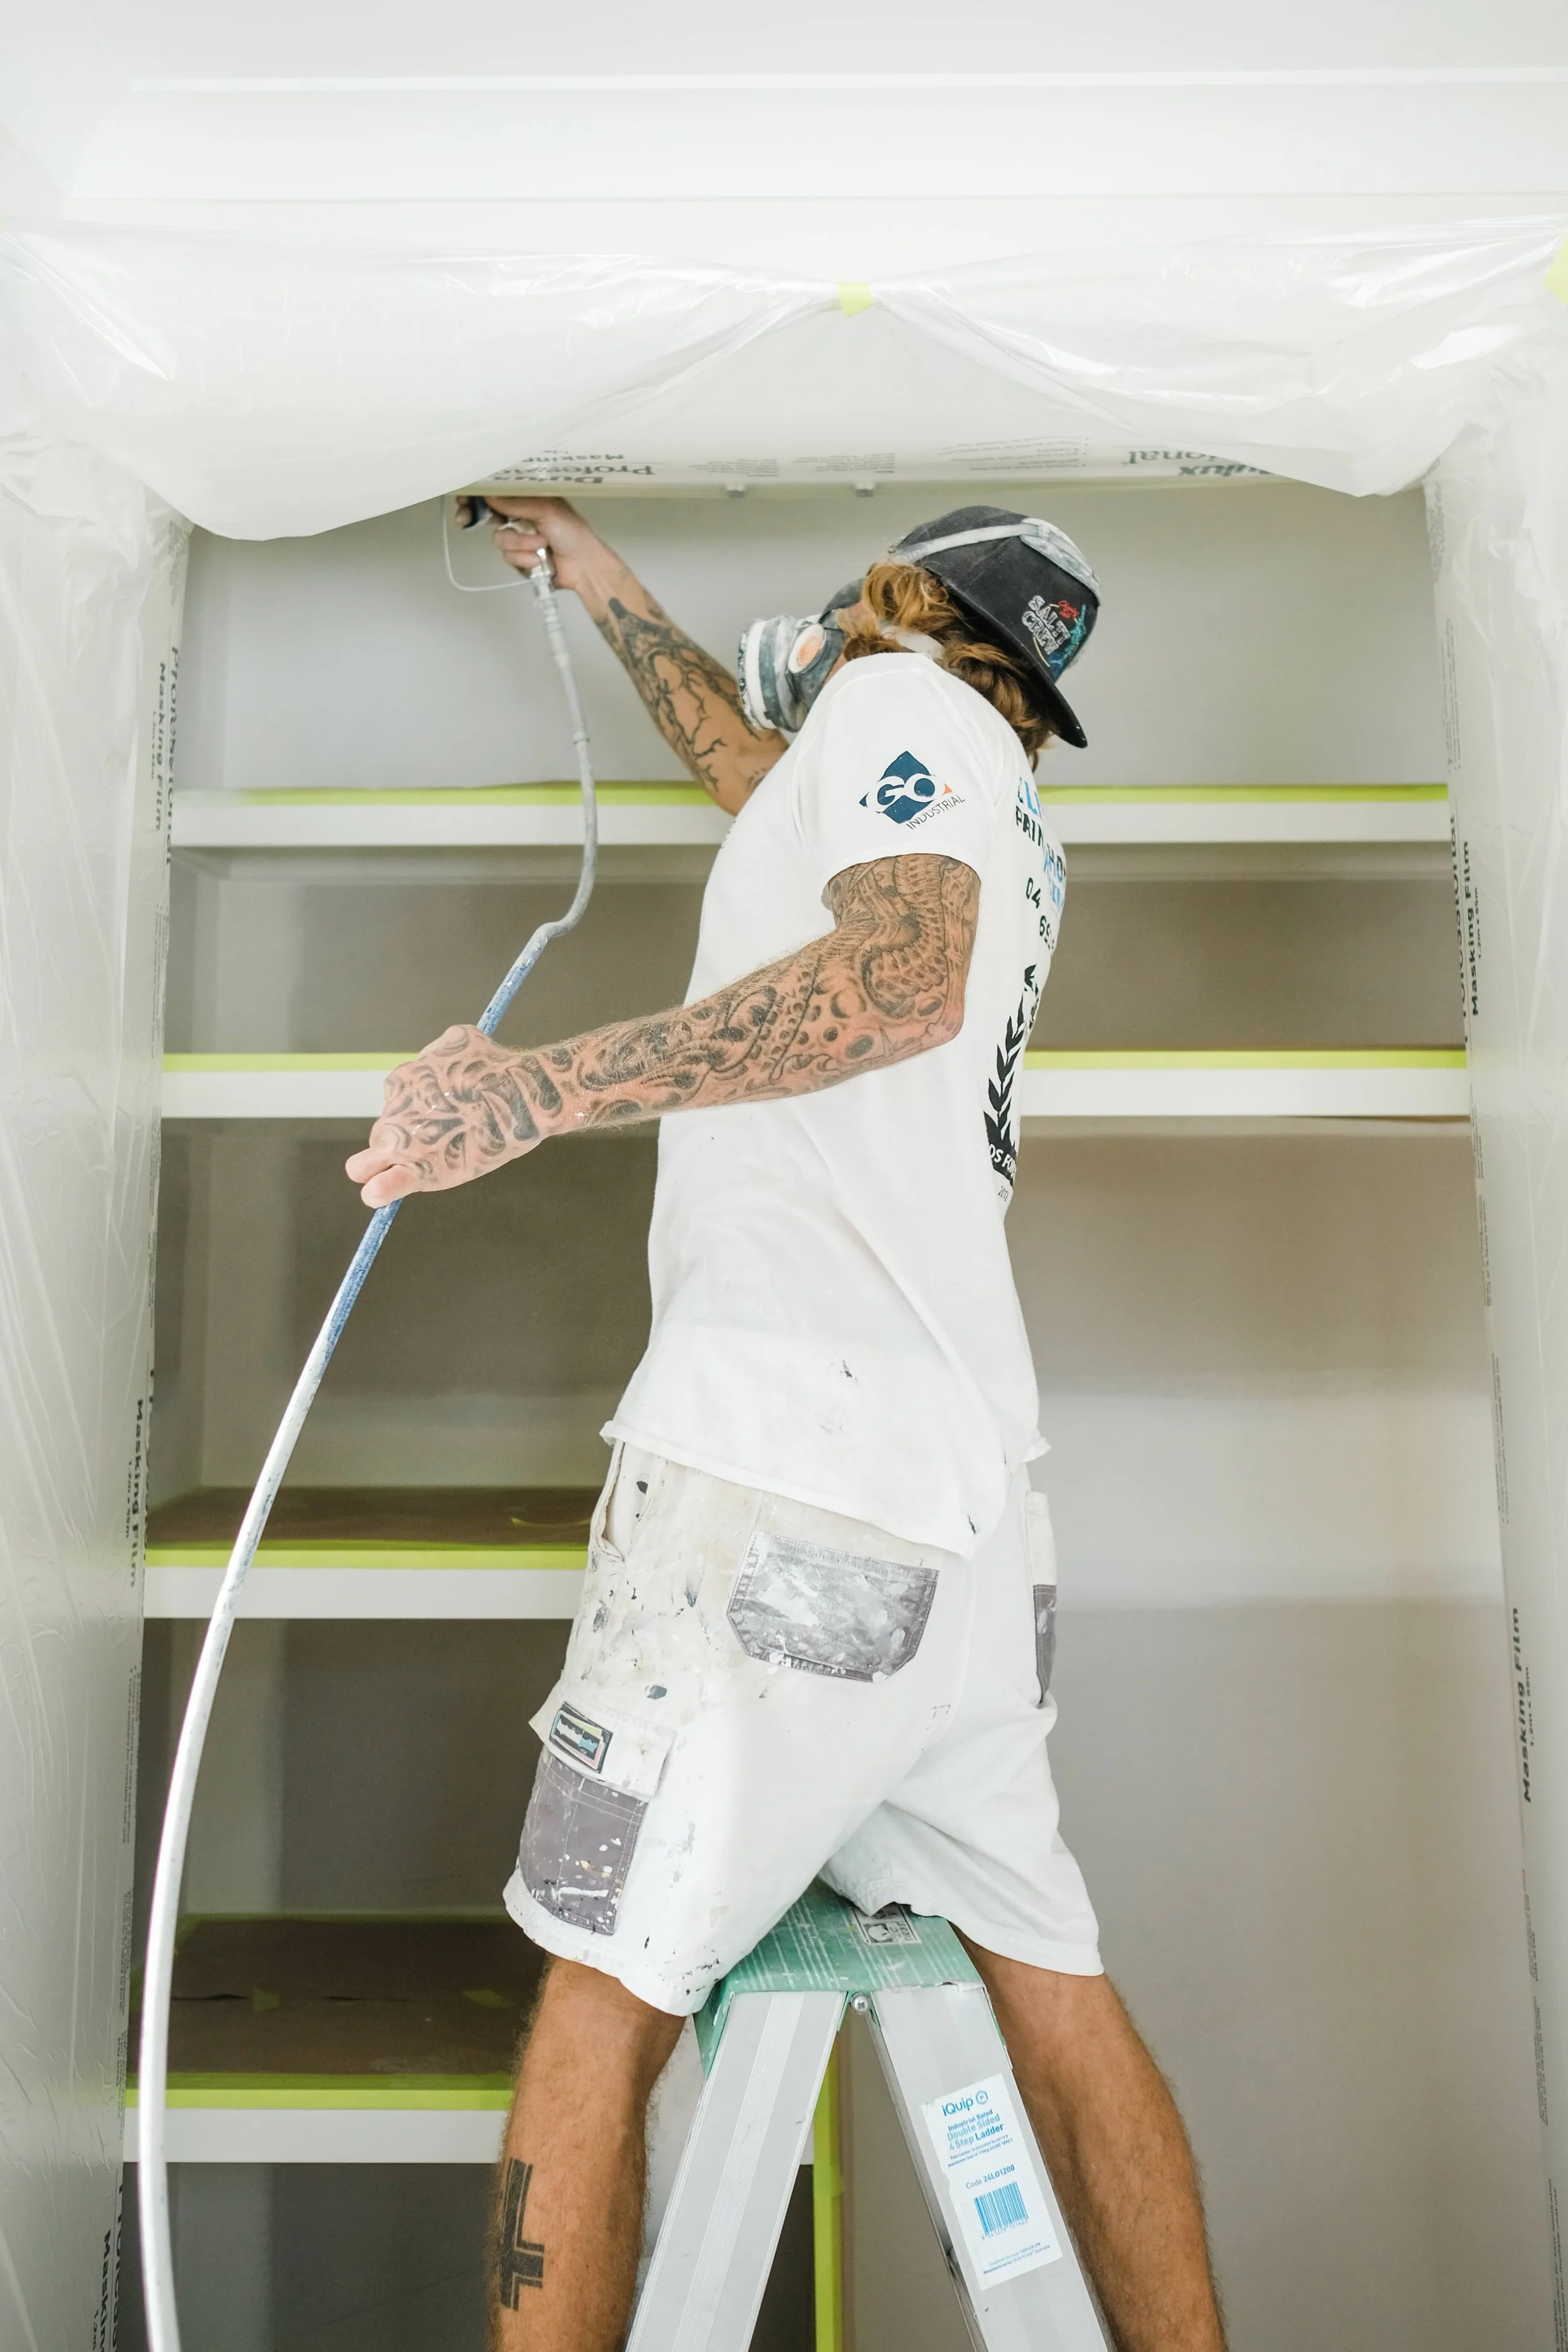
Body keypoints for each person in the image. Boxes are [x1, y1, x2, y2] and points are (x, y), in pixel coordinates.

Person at [346, 497, 1227, 2352]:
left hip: (783, 1481)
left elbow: (892, 983)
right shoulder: (941, 769)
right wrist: (611, 592)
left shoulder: (895, 717)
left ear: (882, 616)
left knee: (605, 1982)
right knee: (1050, 1984)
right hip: (965, 1515)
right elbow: (744, 765)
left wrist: (535, 1093)